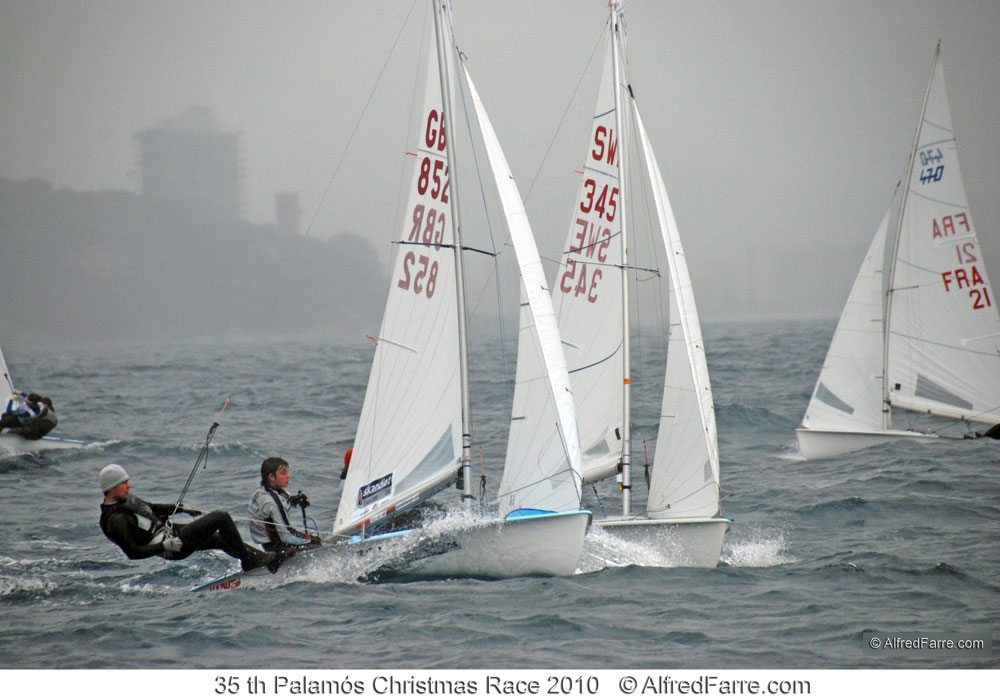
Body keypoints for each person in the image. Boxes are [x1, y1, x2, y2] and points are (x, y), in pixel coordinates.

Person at [98, 463, 276, 572]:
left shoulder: (127, 499)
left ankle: (264, 559)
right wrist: (164, 546)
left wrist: (181, 509)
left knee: (220, 538)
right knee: (220, 517)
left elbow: (152, 508)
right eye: (123, 483)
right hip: (171, 547)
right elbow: (132, 552)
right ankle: (250, 560)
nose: (129, 485)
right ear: (111, 487)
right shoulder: (115, 520)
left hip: (172, 532)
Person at [248, 457, 322, 555]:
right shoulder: (271, 503)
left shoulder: (261, 491)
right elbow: (286, 536)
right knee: (316, 545)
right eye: (283, 473)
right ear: (271, 476)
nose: (288, 476)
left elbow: (283, 499)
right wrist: (311, 539)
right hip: (278, 547)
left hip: (268, 543)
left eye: (287, 472)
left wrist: (296, 500)